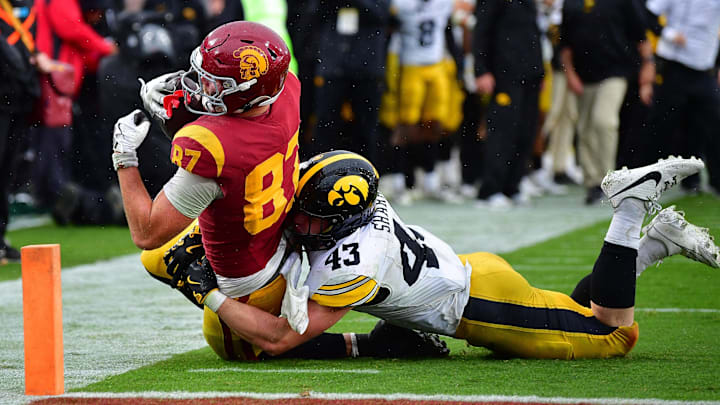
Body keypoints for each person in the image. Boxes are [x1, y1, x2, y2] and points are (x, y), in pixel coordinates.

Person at [175, 151, 719, 359]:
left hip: (477, 306)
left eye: (312, 215)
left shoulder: (354, 263)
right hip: (478, 276)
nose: (299, 221)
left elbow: (279, 339)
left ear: (340, 217)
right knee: (576, 313)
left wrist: (208, 291)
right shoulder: (360, 211)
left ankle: (631, 212)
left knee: (614, 335)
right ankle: (656, 243)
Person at [123, 21, 448, 361]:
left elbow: (147, 232)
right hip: (274, 231)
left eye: (216, 82)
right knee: (158, 260)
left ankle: (368, 344)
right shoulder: (286, 90)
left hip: (249, 283)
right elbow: (239, 137)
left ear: (249, 90)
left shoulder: (210, 146)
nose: (203, 87)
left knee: (238, 344)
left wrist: (124, 157)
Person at [559, 0, 652, 204]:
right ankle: (592, 182)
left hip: (615, 71)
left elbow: (640, 35)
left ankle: (609, 179)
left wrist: (649, 64)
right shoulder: (571, 4)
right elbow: (565, 45)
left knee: (603, 120)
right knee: (585, 128)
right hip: (584, 75)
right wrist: (570, 74)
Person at [642, 0, 720, 194]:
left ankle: (710, 179)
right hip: (674, 65)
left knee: (711, 122)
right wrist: (668, 34)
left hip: (704, 68)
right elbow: (649, 14)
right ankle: (649, 178)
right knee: (662, 123)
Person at [472, 0, 544, 209]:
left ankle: (513, 186)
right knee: (503, 132)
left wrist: (539, 71)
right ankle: (490, 189)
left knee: (526, 131)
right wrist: (481, 70)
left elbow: (532, 31)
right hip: (504, 73)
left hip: (530, 73)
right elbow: (481, 30)